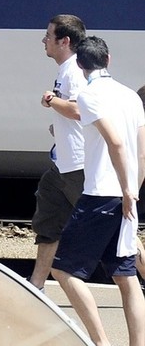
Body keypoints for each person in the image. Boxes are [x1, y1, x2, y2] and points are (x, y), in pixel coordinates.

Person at [50, 36, 145, 346]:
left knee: (63, 271)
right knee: (126, 278)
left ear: (79, 63)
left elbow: (115, 141)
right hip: (126, 194)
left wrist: (125, 190)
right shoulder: (132, 96)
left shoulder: (89, 95)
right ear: (109, 59)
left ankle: (101, 342)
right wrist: (133, 190)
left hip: (101, 193)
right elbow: (142, 153)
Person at [27, 14, 86, 291]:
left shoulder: (74, 71)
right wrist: (58, 126)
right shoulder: (66, 69)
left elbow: (77, 110)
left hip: (79, 166)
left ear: (65, 41)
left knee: (111, 231)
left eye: (48, 36)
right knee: (48, 220)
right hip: (61, 165)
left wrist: (51, 100)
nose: (44, 40)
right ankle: (36, 284)